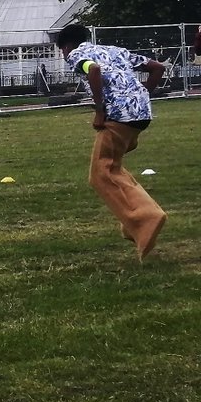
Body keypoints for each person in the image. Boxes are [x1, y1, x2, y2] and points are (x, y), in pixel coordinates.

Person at [54, 24, 167, 260]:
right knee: (113, 167)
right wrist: (143, 93)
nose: (65, 56)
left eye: (62, 51)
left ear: (66, 46)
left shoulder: (76, 55)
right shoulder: (114, 50)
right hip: (141, 114)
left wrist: (99, 110)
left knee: (100, 173)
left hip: (118, 115)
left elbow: (93, 70)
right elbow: (156, 68)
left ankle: (144, 219)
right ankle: (134, 221)